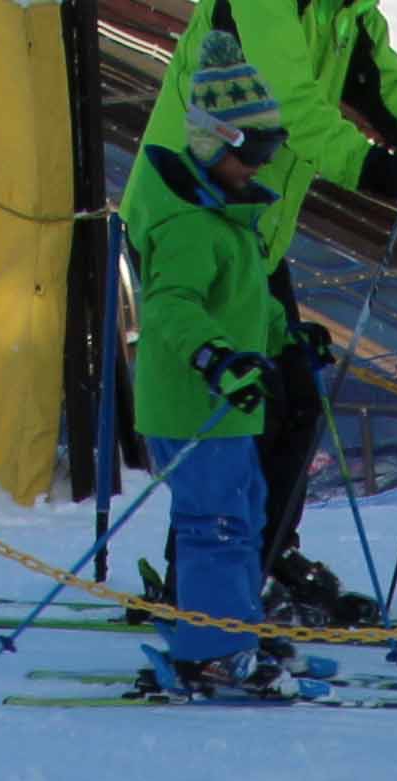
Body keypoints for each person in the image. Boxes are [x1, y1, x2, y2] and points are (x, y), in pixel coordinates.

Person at [128, 3, 397, 625]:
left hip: (250, 231)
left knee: (294, 397)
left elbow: (385, 92)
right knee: (239, 408)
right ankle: (208, 585)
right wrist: (375, 169)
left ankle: (261, 557)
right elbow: (289, 106)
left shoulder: (346, 11)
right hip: (191, 224)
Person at [126, 47, 299, 701]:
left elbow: (246, 303)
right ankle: (213, 650)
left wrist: (288, 336)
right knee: (216, 525)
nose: (262, 164)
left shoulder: (229, 217)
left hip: (227, 405)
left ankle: (233, 632)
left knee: (241, 516)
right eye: (253, 149)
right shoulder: (191, 225)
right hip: (193, 403)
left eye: (271, 148)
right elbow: (171, 307)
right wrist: (216, 359)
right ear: (213, 142)